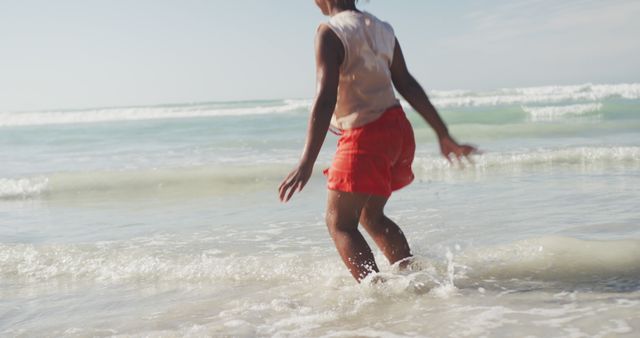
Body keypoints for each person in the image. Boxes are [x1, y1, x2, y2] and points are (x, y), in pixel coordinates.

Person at [279, 0, 477, 282]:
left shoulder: (329, 32)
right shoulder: (382, 28)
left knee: (339, 223)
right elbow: (407, 84)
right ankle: (412, 277)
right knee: (371, 215)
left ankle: (377, 294)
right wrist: (442, 133)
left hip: (365, 135)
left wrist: (306, 161)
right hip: (397, 131)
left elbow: (325, 98)